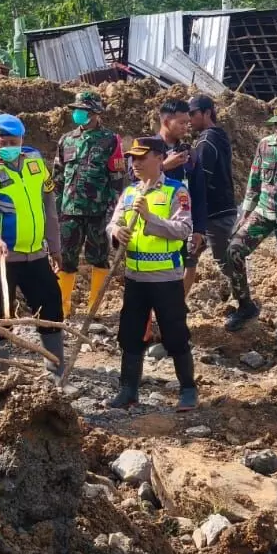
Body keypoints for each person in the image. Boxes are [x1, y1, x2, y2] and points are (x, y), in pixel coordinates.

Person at [106, 136, 197, 411]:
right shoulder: (130, 192)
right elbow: (113, 222)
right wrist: (115, 233)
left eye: (141, 158)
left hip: (166, 278)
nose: (135, 163)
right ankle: (128, 390)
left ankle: (188, 389)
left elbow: (183, 230)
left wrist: (150, 219)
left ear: (159, 158)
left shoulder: (175, 192)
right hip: (135, 277)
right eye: (133, 158)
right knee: (130, 333)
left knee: (175, 334)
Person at [0, 113, 64, 375]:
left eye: (14, 142)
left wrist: (55, 247)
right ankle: (1, 375)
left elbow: (48, 204)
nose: (9, 148)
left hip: (35, 254)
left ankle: (56, 375)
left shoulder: (35, 161)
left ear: (22, 139)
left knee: (51, 311)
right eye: (3, 143)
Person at [225, 101, 277, 338]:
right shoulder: (265, 145)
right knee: (234, 250)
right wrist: (244, 215)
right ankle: (245, 306)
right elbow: (254, 182)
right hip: (263, 212)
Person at [54, 91, 124, 318]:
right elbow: (58, 175)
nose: (77, 114)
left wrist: (114, 212)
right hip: (69, 209)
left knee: (99, 257)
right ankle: (62, 306)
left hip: (98, 210)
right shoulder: (66, 140)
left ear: (95, 112)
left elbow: (116, 177)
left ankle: (95, 306)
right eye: (76, 110)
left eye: (82, 110)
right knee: (66, 258)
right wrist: (56, 208)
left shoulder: (110, 140)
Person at [187, 94, 237, 297]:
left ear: (207, 113)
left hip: (216, 213)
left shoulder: (207, 141)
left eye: (192, 114)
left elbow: (201, 181)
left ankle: (245, 304)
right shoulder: (217, 136)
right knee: (189, 257)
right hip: (217, 210)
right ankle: (177, 304)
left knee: (225, 262)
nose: (189, 119)